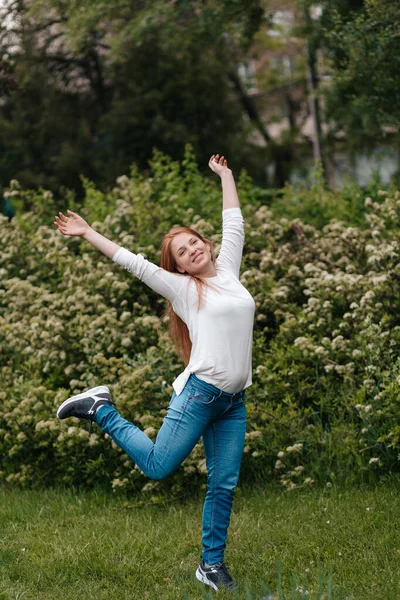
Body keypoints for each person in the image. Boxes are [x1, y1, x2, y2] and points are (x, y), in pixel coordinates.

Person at [54, 154, 256, 593]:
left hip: (232, 402)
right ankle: (100, 408)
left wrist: (226, 177)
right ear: (180, 267)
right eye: (183, 251)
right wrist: (88, 232)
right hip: (200, 395)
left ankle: (211, 566)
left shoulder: (229, 272)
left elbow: (234, 224)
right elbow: (135, 263)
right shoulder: (184, 289)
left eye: (195, 242)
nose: (193, 249)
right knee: (157, 466)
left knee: (223, 484)